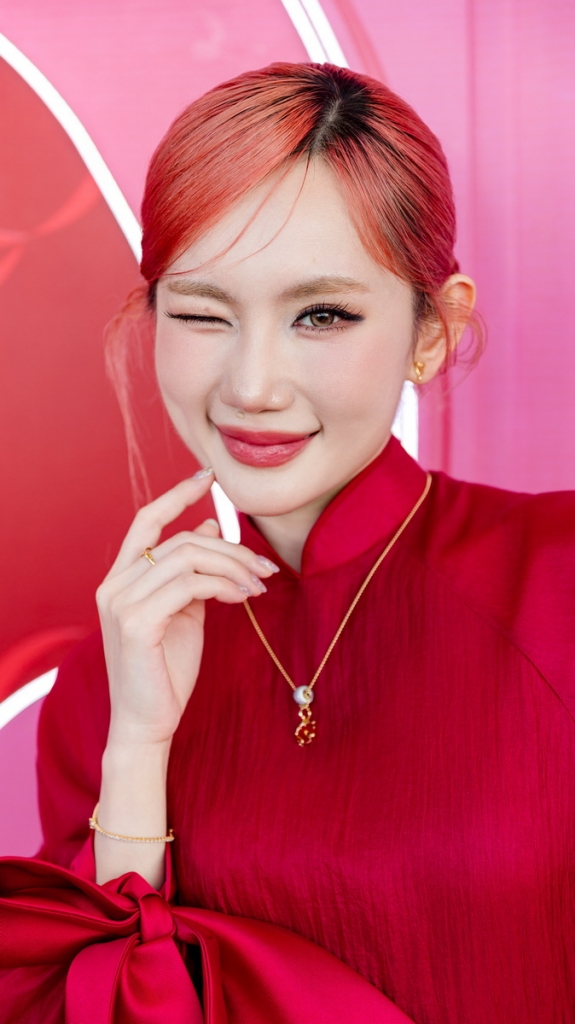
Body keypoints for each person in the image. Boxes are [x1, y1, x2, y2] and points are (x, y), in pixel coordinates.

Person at [1, 62, 574, 1024]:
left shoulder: (556, 579)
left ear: (432, 330)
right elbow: (96, 1001)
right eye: (201, 314)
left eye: (321, 315)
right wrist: (138, 744)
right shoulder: (112, 676)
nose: (251, 386)